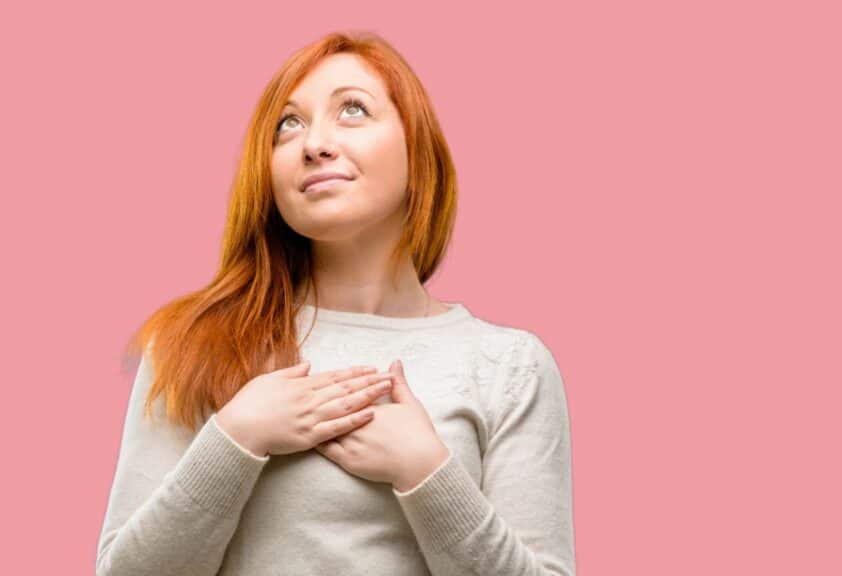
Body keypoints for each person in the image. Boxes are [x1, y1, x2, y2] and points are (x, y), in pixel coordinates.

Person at [95, 32, 576, 575]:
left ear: (418, 151)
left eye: (352, 110)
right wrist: (237, 437)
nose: (312, 144)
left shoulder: (511, 366)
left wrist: (426, 473)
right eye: (288, 124)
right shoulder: (195, 341)